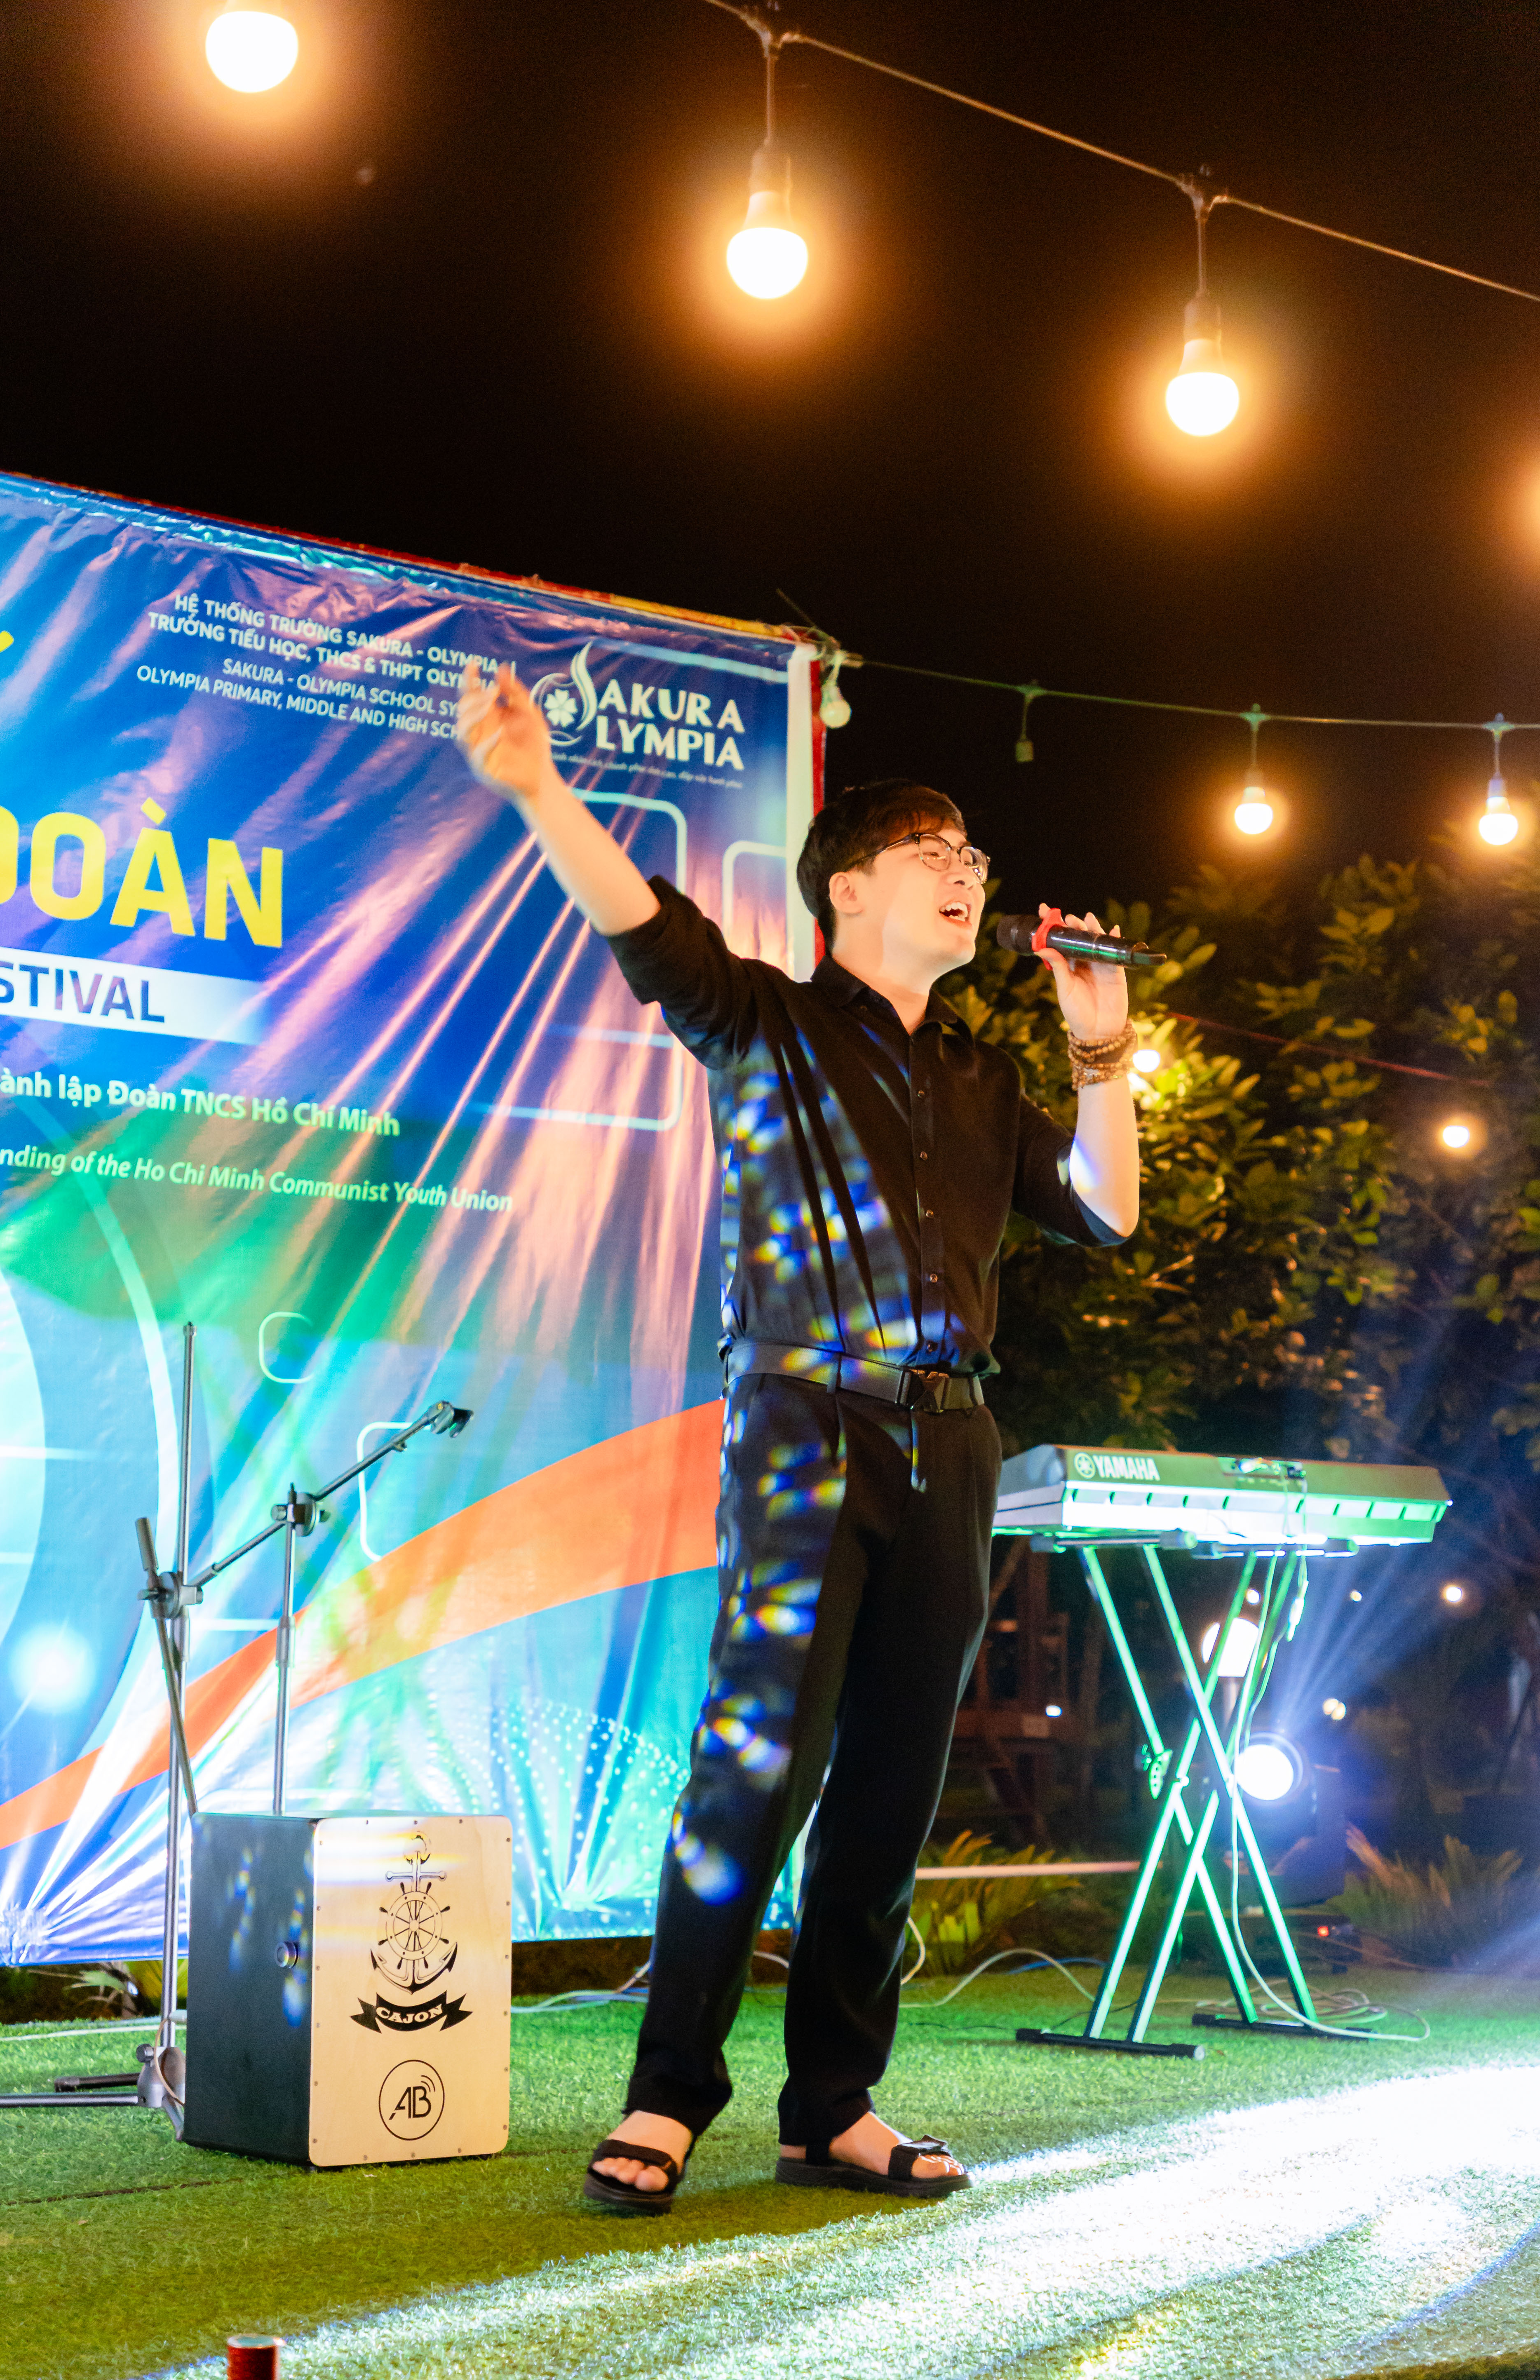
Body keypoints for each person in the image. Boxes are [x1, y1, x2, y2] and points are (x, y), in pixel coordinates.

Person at [456, 659, 1140, 2212]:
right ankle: (666, 2095)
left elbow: (1105, 1210)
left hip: (952, 1440)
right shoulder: (765, 1018)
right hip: (802, 1424)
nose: (967, 872)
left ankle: (833, 2105)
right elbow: (648, 928)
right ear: (844, 889)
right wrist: (540, 788)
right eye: (931, 851)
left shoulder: (983, 1075)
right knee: (755, 1766)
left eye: (974, 855)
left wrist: (1099, 1048)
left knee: (892, 1786)